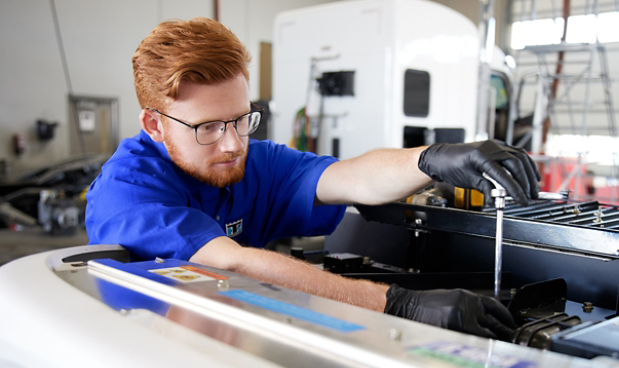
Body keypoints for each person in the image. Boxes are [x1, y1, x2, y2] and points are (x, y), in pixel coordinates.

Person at [86, 18, 540, 340]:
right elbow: (231, 264)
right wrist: (396, 304)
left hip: (232, 343)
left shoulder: (250, 160)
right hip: (155, 363)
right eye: (207, 127)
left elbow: (349, 177)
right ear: (153, 125)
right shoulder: (128, 192)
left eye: (241, 119)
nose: (231, 144)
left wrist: (433, 159)